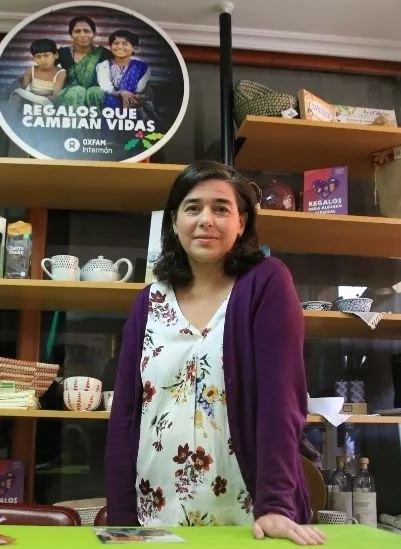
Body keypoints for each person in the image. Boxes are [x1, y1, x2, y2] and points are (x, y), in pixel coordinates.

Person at [105, 161, 325, 545]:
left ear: (241, 223)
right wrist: (122, 517)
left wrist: (276, 505)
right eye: (193, 208)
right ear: (174, 222)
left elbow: (281, 400)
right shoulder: (148, 301)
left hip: (250, 516)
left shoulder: (266, 282)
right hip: (156, 513)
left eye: (221, 208)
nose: (206, 219)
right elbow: (125, 414)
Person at [56, 15, 110, 107]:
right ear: (71, 34)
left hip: (95, 98)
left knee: (95, 91)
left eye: (86, 31)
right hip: (69, 99)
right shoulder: (61, 53)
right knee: (77, 91)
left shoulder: (103, 54)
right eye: (77, 31)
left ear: (94, 34)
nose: (82, 35)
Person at [95, 30, 150, 109]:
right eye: (116, 43)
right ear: (110, 46)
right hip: (108, 104)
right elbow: (106, 88)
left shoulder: (142, 67)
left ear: (134, 48)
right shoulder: (103, 66)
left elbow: (140, 89)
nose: (120, 47)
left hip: (133, 103)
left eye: (125, 44)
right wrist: (122, 93)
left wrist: (135, 97)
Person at [10, 38, 66, 107]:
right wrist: (43, 93)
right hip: (30, 100)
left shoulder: (60, 73)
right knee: (16, 97)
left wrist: (35, 95)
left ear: (56, 55)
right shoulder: (31, 71)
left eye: (46, 55)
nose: (42, 60)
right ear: (34, 58)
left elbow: (56, 96)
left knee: (41, 103)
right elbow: (24, 90)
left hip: (48, 102)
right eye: (38, 57)